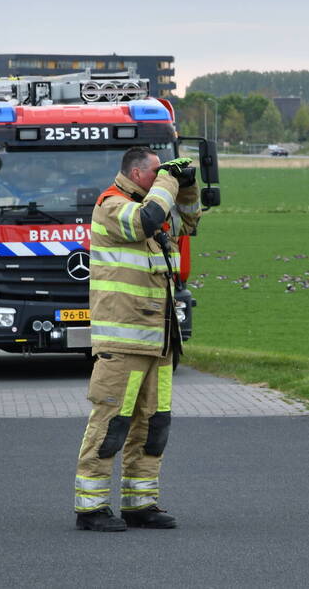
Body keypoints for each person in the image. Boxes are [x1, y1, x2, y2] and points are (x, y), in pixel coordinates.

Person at [74, 147, 201, 532]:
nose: (164, 178)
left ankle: (140, 503)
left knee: (153, 426)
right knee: (110, 425)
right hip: (125, 343)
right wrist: (168, 179)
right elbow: (146, 220)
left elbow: (190, 223)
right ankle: (91, 508)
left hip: (159, 342)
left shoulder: (159, 206)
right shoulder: (111, 207)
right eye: (156, 172)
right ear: (136, 172)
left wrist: (188, 186)